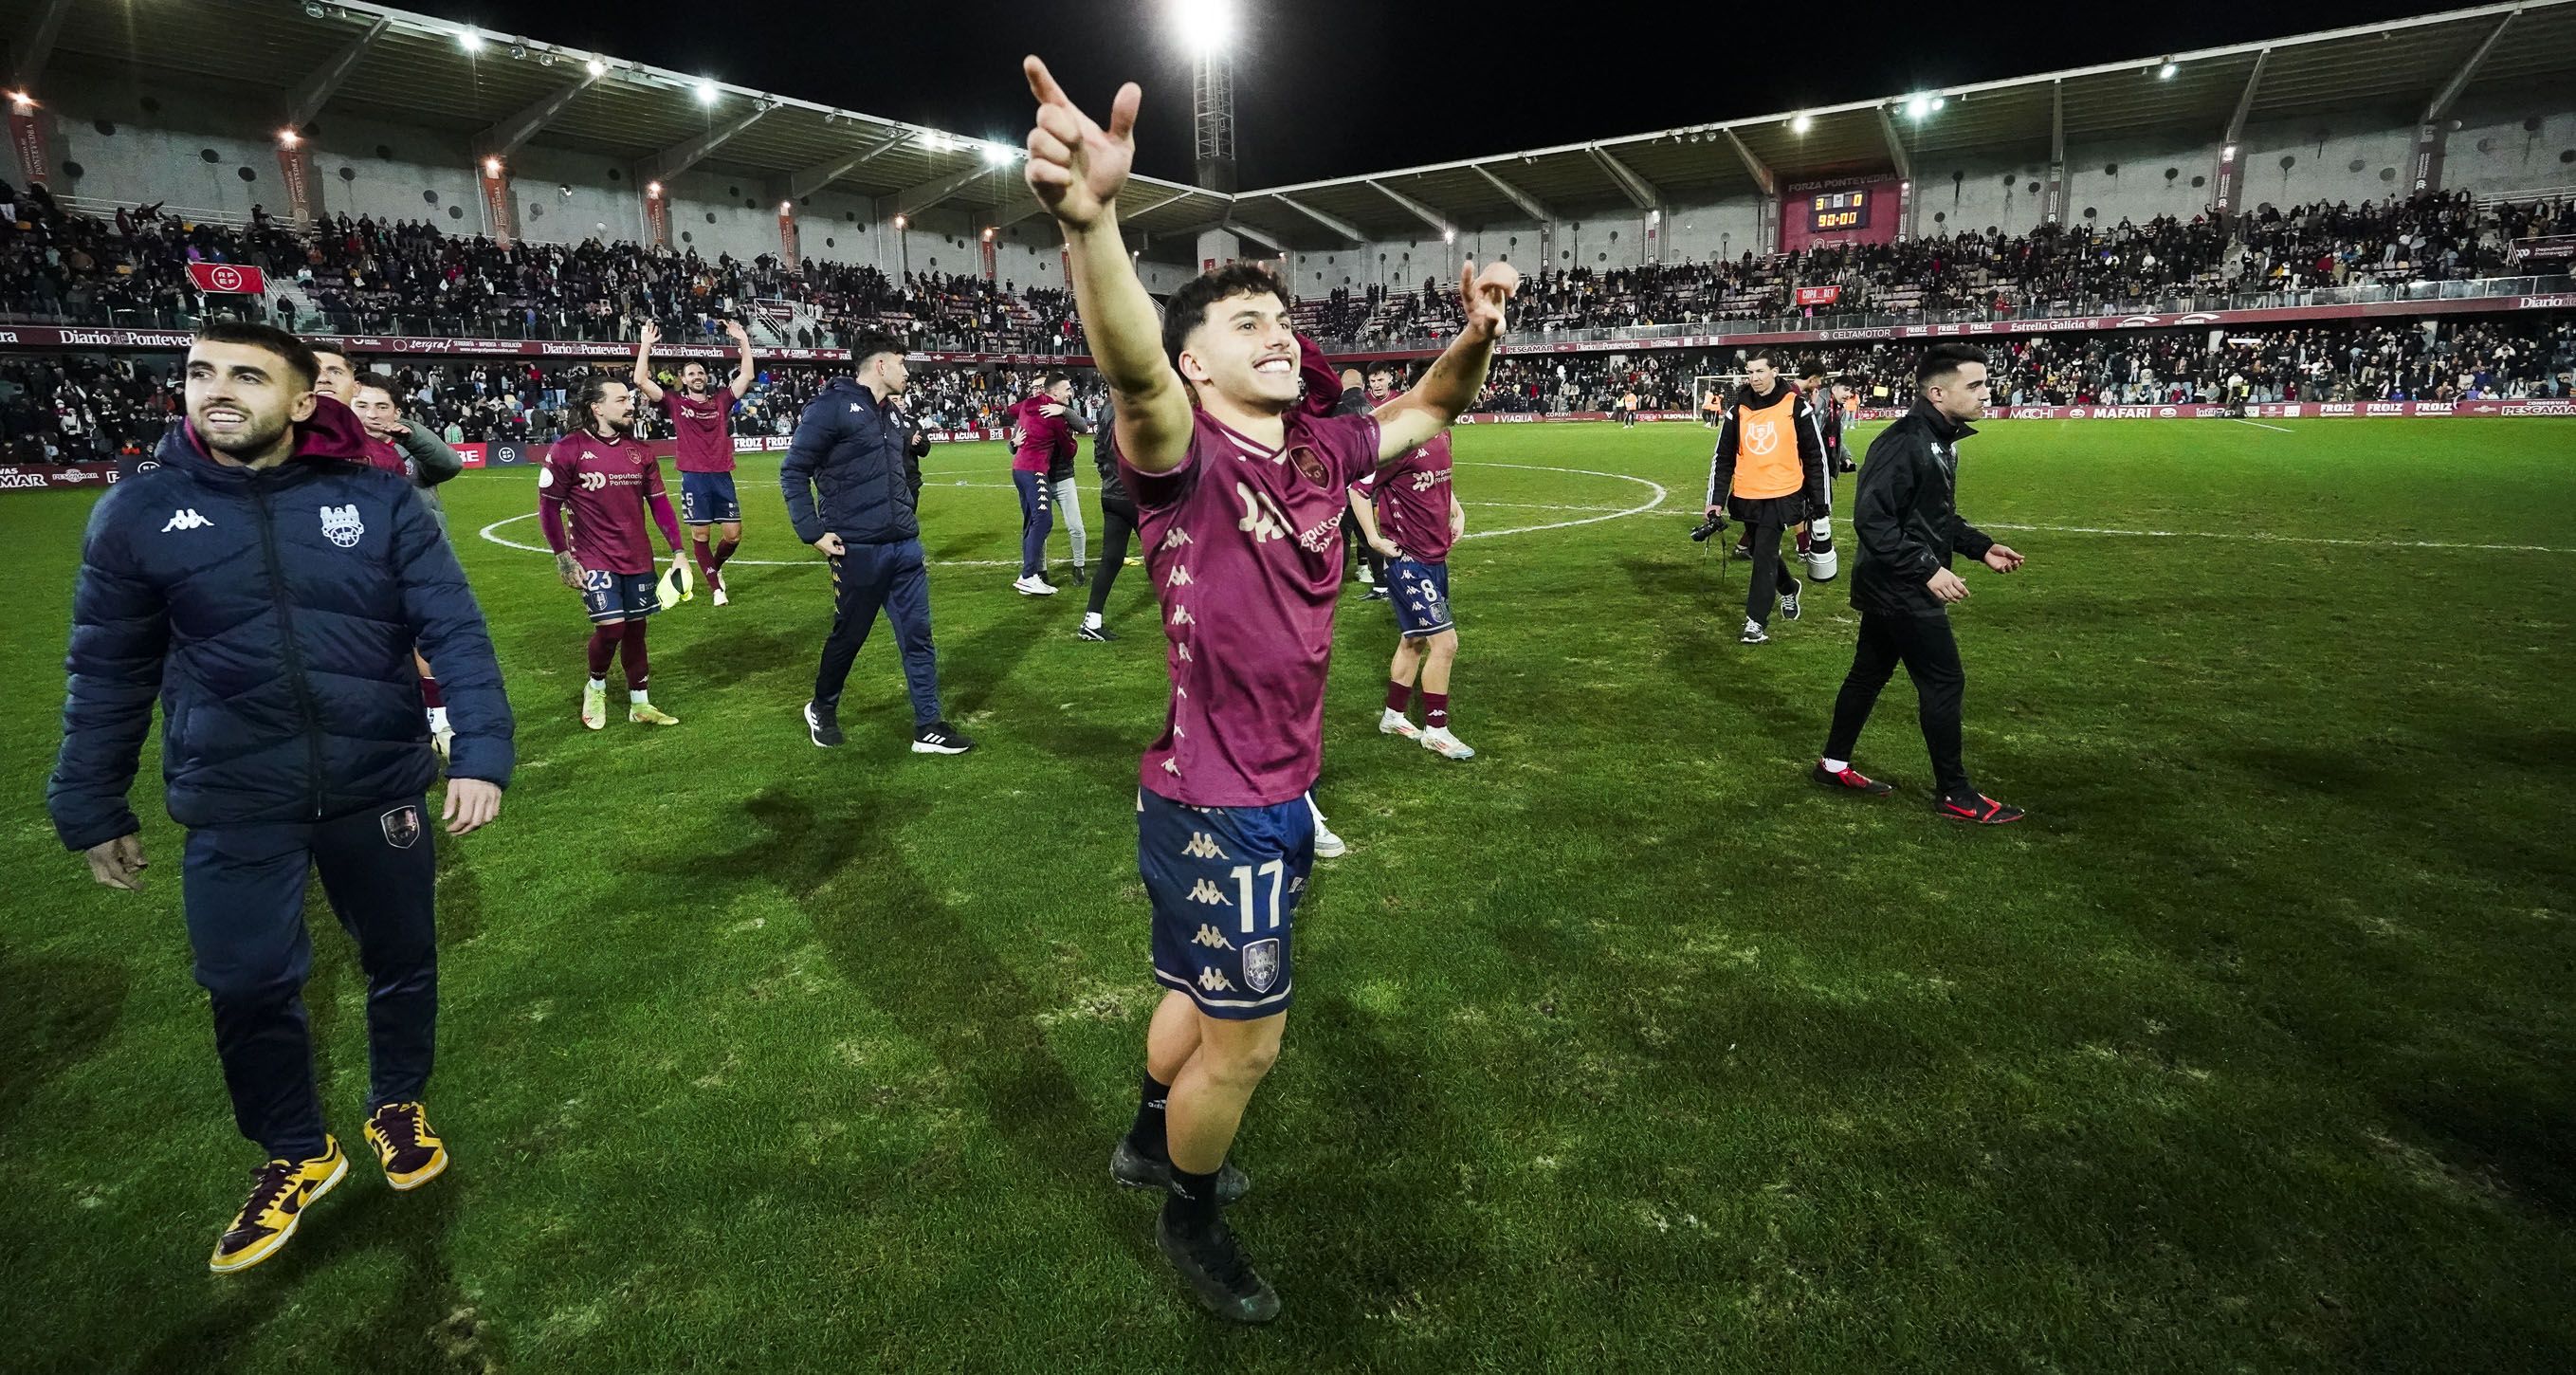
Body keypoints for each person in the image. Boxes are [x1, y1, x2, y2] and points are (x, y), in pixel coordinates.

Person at [1022, 55, 1515, 1324]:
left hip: (1280, 791)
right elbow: (1133, 368)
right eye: (1244, 323)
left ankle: (1145, 1138)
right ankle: (1189, 1215)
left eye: (1281, 318)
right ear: (1196, 367)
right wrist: (1094, 227)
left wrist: (1475, 333)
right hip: (1214, 804)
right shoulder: (1176, 452)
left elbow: (1427, 408)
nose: (1278, 330)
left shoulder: (1320, 446)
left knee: (1192, 993)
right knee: (1249, 1040)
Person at [46, 321, 512, 1274]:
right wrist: (90, 799)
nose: (217, 390)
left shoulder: (378, 499)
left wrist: (481, 750)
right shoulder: (137, 514)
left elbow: (453, 628)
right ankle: (296, 1150)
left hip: (372, 781)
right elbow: (107, 670)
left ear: (304, 400)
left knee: (402, 957)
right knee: (245, 983)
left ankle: (396, 1102)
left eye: (246, 376)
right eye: (200, 373)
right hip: (232, 795)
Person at [1814, 341, 2026, 823]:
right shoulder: (1904, 441)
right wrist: (1927, 569)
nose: (1985, 394)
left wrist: (1980, 547)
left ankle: (1833, 764)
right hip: (1901, 585)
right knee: (1944, 680)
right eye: (1974, 385)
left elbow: (1933, 516)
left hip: (1894, 580)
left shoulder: (1937, 440)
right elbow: (1873, 521)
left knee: (1868, 674)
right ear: (1937, 392)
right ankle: (1954, 793)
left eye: (1984, 383)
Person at [781, 333, 973, 755]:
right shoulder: (830, 408)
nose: (908, 371)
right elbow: (794, 471)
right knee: (849, 636)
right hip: (857, 549)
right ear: (881, 365)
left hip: (904, 545)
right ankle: (822, 707)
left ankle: (928, 725)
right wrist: (811, 531)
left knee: (919, 637)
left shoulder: (894, 416)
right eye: (902, 363)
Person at [316, 346, 465, 756]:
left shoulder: (409, 449)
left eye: (383, 406)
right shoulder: (334, 451)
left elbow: (449, 465)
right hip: (360, 570)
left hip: (421, 566)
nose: (372, 414)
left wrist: (410, 434)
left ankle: (442, 722)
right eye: (363, 404)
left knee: (428, 646)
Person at [537, 376, 686, 730]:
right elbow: (548, 509)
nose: (630, 404)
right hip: (593, 557)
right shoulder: (568, 449)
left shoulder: (641, 452)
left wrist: (679, 551)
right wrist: (563, 557)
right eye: (620, 400)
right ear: (597, 407)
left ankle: (640, 704)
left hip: (637, 557)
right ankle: (596, 685)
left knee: (636, 630)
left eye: (629, 399)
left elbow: (661, 506)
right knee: (611, 629)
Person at [1353, 431, 1473, 760]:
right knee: (1445, 644)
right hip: (1408, 561)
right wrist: (1373, 540)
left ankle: (1393, 716)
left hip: (1435, 557)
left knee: (1414, 640)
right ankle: (1436, 730)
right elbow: (1359, 489)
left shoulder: (1444, 434)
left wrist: (1456, 511)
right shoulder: (1400, 444)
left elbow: (1439, 480)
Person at [1703, 352, 1830, 645]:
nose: (1755, 378)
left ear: (1775, 371)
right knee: (1762, 549)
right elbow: (1722, 459)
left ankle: (1755, 621)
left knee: (1762, 555)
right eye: (1750, 372)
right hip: (1748, 496)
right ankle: (1787, 587)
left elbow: (1815, 457)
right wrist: (1715, 501)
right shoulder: (1737, 411)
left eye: (1760, 371)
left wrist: (1820, 504)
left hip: (1783, 494)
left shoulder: (1796, 406)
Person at [632, 320, 755, 605]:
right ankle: (716, 588)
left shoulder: (721, 402)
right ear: (684, 380)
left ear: (705, 377)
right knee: (700, 535)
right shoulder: (676, 403)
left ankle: (715, 566)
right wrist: (646, 346)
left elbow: (747, 374)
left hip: (722, 474)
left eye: (700, 372)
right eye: (691, 373)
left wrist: (742, 341)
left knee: (733, 536)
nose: (697, 376)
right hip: (694, 477)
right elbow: (640, 380)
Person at [1003, 373, 1078, 596]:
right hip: (1035, 470)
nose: (1070, 393)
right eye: (1067, 389)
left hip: (1019, 469)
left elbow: (1011, 410)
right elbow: (1070, 449)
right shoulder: (1054, 417)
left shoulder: (1029, 404)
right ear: (1054, 392)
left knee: (1031, 522)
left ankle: (1029, 575)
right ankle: (1028, 576)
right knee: (1043, 521)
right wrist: (1068, 430)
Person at [1076, 396, 1136, 642]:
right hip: (1136, 495)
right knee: (1170, 558)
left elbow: (1099, 448)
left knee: (1111, 559)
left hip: (1111, 493)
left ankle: (1092, 620)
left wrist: (1108, 476)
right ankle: (1193, 621)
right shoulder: (1136, 406)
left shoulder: (1108, 406)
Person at [1338, 365, 1397, 599]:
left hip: (1343, 487)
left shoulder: (1335, 409)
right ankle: (1381, 585)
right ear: (1363, 385)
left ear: (1342, 387)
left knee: (1340, 538)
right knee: (1367, 535)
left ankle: (1332, 590)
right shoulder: (1374, 410)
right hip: (1368, 485)